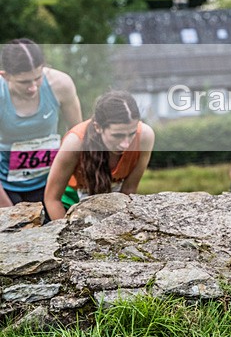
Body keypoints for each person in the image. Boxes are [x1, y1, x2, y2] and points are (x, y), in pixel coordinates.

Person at [43, 91, 155, 221]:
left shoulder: (145, 137)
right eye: (117, 135)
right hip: (70, 204)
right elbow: (52, 198)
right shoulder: (74, 142)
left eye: (131, 134)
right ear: (98, 127)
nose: (125, 144)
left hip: (112, 203)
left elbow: (129, 190)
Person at [0, 39, 82, 208]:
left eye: (38, 78)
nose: (33, 87)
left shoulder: (61, 84)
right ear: (5, 75)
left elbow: (77, 135)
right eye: (24, 82)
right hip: (5, 185)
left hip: (51, 180)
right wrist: (8, 211)